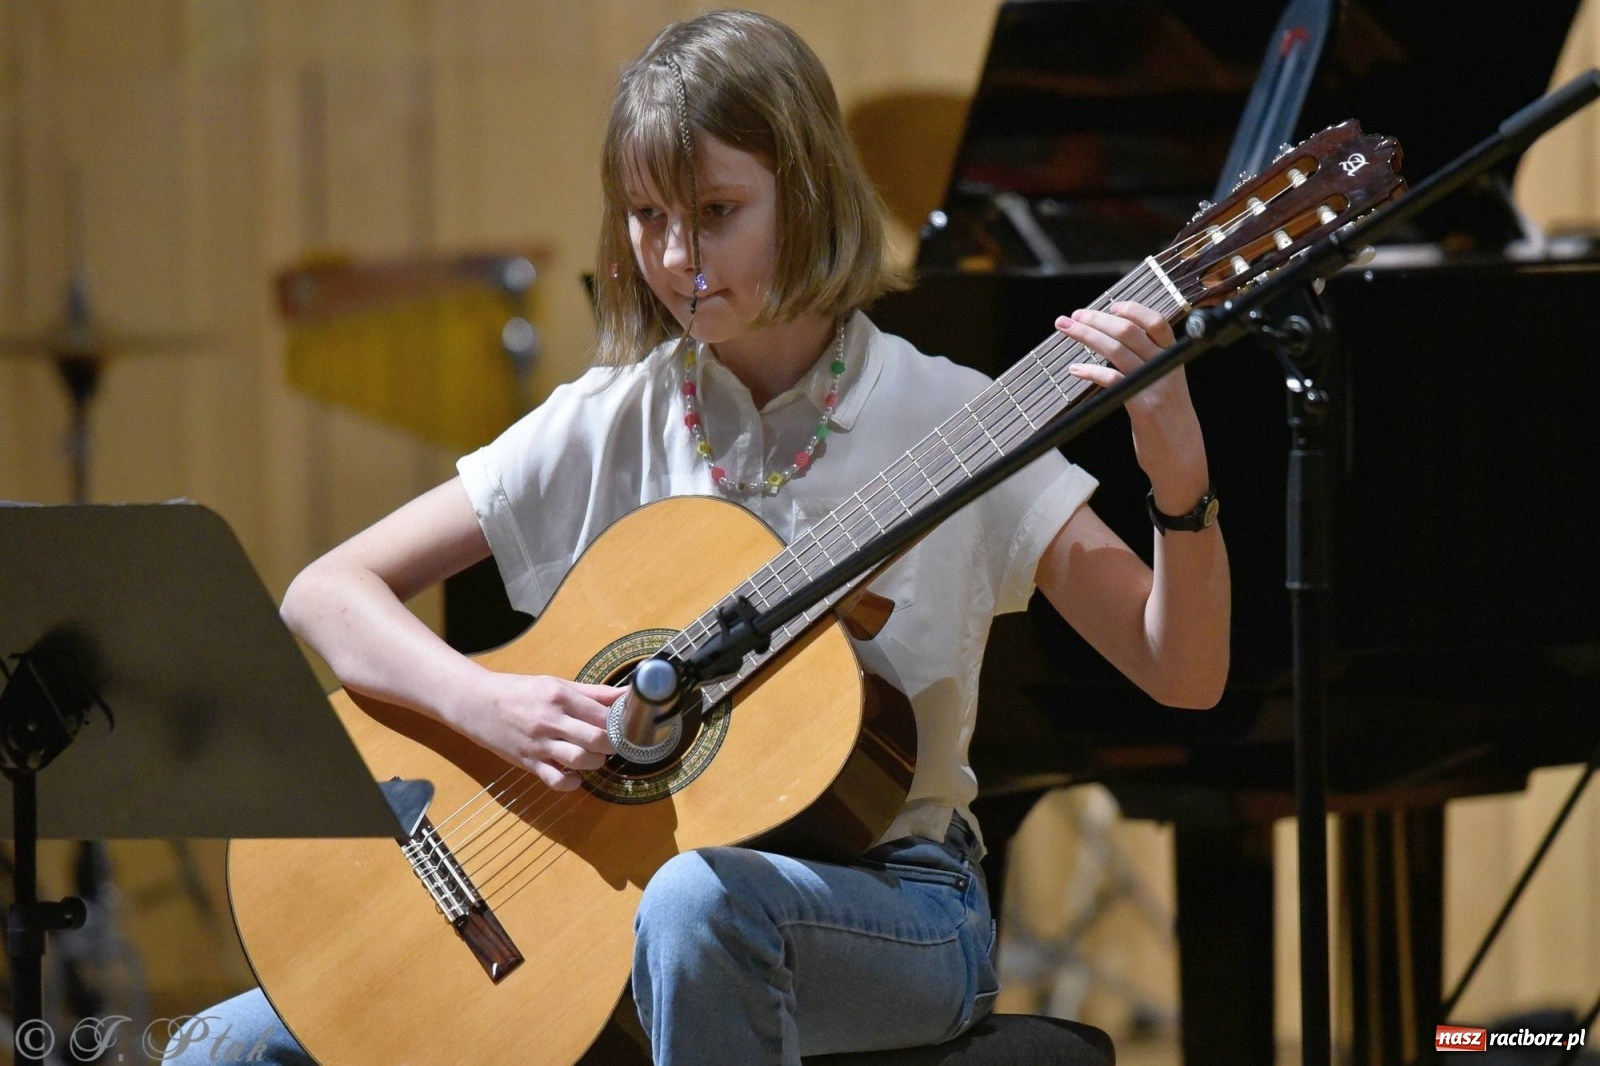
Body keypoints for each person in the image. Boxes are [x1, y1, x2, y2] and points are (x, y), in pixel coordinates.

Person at [168, 9, 1228, 1065]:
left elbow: (1181, 671)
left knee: (694, 905)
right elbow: (325, 590)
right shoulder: (611, 419)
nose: (677, 258)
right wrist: (492, 705)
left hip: (898, 901)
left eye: (717, 212)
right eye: (645, 215)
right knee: (217, 1048)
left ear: (804, 191)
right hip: (600, 895)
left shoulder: (954, 420)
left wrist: (1177, 477)